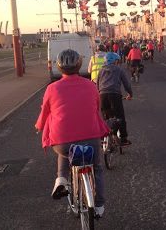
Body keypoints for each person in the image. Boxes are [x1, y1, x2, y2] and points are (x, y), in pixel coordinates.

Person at [35, 49, 109, 217]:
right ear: (79, 65)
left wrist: (39, 126)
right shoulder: (91, 85)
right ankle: (99, 206)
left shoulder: (52, 88)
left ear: (60, 68)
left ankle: (61, 179)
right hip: (91, 137)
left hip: (63, 141)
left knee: (65, 150)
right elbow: (96, 108)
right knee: (97, 168)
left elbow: (45, 113)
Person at [97, 52, 133, 146]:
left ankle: (102, 138)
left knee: (105, 117)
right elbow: (126, 84)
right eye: (117, 60)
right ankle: (124, 139)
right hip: (115, 95)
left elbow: (97, 84)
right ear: (114, 61)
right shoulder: (119, 70)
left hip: (102, 95)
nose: (118, 62)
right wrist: (130, 93)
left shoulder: (101, 70)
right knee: (120, 117)